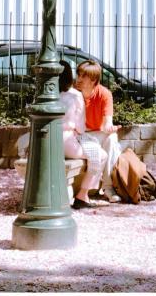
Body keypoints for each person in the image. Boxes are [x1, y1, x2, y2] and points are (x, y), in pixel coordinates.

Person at [58, 60, 107, 210]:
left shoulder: (44, 95)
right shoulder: (75, 95)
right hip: (66, 141)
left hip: (45, 140)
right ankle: (83, 194)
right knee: (101, 155)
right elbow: (80, 126)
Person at [75, 59, 122, 203]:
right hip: (77, 134)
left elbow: (108, 121)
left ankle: (108, 187)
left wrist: (109, 127)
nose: (79, 79)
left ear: (93, 79)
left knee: (111, 138)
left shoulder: (104, 94)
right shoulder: (73, 91)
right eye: (78, 74)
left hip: (94, 134)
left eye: (83, 76)